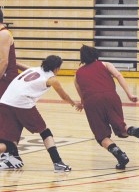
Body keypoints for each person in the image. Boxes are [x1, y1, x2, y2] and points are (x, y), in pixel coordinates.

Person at [74, 45, 139, 170]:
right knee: (121, 129)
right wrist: (129, 94)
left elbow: (81, 92)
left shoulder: (77, 74)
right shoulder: (105, 64)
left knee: (102, 137)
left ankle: (121, 156)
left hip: (92, 102)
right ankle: (137, 131)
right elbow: (119, 76)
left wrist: (82, 104)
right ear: (96, 55)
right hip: (111, 97)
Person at [0, 55, 80, 172]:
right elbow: (63, 96)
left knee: (9, 139)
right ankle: (58, 163)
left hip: (4, 102)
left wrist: (12, 61)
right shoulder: (52, 79)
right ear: (57, 68)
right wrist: (75, 103)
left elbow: (21, 66)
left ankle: (12, 159)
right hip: (22, 103)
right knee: (45, 132)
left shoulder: (34, 69)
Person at [0, 9, 29, 162]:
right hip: (4, 80)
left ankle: (10, 151)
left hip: (6, 81)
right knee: (5, 117)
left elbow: (4, 62)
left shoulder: (4, 34)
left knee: (8, 117)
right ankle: (11, 152)